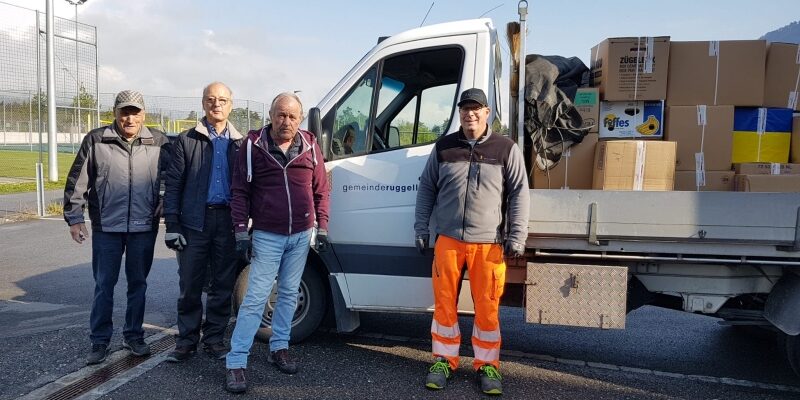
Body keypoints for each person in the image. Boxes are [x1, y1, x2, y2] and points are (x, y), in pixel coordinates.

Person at [414, 88, 529, 395]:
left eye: (476, 108)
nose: (470, 114)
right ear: (460, 113)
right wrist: (421, 228)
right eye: (465, 109)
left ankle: (488, 365)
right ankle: (443, 361)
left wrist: (517, 235)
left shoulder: (505, 148)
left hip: (488, 244)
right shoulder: (444, 147)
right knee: (444, 306)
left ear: (487, 112)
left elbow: (519, 193)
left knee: (488, 308)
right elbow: (427, 188)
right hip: (448, 240)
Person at [224, 92, 330, 393]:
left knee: (288, 293)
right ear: (270, 115)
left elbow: (321, 189)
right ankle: (236, 361)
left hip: (300, 235)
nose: (286, 121)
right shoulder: (253, 146)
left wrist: (322, 226)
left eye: (292, 116)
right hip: (268, 235)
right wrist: (240, 230)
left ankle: (279, 347)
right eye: (281, 115)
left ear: (300, 119)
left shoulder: (309, 145)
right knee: (256, 298)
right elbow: (240, 191)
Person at [63, 90, 171, 365]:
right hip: (106, 227)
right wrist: (75, 218)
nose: (130, 118)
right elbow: (77, 180)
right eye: (125, 112)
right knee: (104, 285)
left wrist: (164, 198)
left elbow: (172, 177)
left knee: (138, 284)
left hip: (144, 226)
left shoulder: (160, 141)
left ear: (143, 114)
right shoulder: (96, 139)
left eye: (135, 112)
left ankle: (133, 336)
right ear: (115, 113)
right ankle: (99, 341)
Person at [163, 82, 244, 362]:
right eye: (211, 99)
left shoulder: (241, 144)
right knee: (190, 285)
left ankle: (214, 340)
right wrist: (172, 226)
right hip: (194, 222)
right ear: (203, 103)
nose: (216, 104)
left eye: (222, 99)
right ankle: (186, 341)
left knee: (222, 285)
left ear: (231, 105)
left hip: (228, 222)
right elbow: (173, 186)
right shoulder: (186, 140)